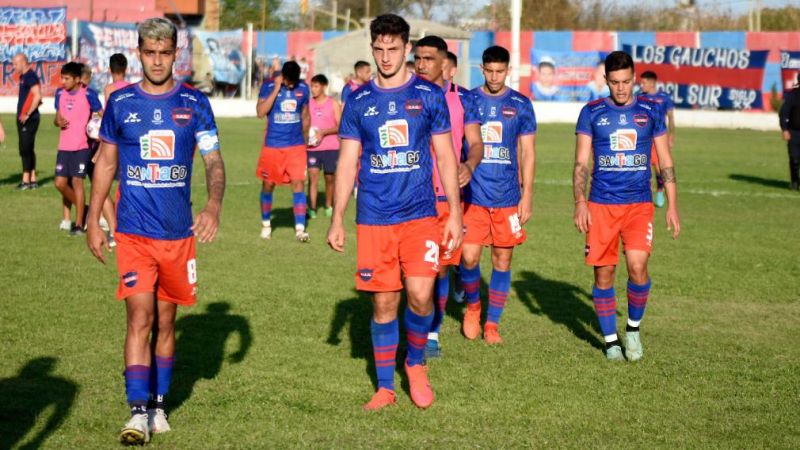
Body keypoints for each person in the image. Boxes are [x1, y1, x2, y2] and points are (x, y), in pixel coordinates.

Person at [87, 17, 226, 445]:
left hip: (178, 234)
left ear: (175, 53)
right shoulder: (121, 102)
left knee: (166, 323)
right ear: (139, 53)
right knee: (140, 317)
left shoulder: (195, 103)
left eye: (165, 53)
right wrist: (93, 219)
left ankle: (159, 406)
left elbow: (213, 161)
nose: (158, 61)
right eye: (150, 53)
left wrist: (213, 205)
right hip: (133, 232)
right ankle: (137, 412)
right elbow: (106, 163)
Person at [327, 14, 462, 411]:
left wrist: (455, 212)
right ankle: (385, 387)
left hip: (420, 214)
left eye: (393, 49)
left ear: (407, 49)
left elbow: (445, 157)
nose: (385, 57)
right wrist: (336, 218)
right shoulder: (359, 101)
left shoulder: (429, 96)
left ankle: (415, 363)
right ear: (372, 48)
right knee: (384, 304)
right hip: (374, 217)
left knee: (420, 295)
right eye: (379, 49)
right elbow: (347, 162)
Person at [573, 51, 680, 362]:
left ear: (634, 79)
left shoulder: (651, 111)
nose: (621, 88)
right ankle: (610, 342)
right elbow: (581, 163)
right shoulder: (591, 112)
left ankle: (632, 330)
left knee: (637, 266)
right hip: (601, 205)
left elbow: (666, 162)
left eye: (626, 81)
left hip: (639, 204)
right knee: (604, 274)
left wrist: (672, 205)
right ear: (606, 80)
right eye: (614, 82)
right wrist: (580, 201)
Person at [459, 45, 537, 345]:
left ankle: (492, 324)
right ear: (482, 69)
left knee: (502, 260)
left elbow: (528, 152)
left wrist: (527, 195)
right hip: (473, 195)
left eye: (499, 71)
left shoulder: (521, 104)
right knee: (468, 258)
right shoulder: (468, 100)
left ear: (508, 71)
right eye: (489, 71)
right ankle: (473, 307)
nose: (494, 77)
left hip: (507, 197)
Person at [413, 35, 483, 358]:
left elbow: (476, 142)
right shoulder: (406, 94)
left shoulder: (464, 99)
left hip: (445, 197)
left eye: (428, 59)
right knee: (413, 272)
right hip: (411, 197)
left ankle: (431, 333)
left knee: (439, 268)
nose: (421, 64)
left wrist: (469, 164)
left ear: (445, 64)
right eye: (418, 58)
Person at [256, 61, 311, 242]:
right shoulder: (268, 86)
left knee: (298, 183)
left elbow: (305, 115)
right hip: (273, 146)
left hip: (296, 146)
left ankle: (300, 230)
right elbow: (260, 112)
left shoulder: (303, 88)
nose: (292, 85)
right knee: (268, 185)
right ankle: (266, 225)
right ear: (283, 77)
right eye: (289, 82)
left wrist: (306, 141)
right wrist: (276, 89)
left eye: (295, 82)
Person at [53, 62, 103, 236]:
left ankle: (79, 224)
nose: (63, 81)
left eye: (66, 78)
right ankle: (86, 209)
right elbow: (57, 117)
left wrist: (100, 131)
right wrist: (58, 121)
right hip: (64, 146)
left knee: (77, 181)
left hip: (82, 146)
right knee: (59, 183)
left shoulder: (88, 94)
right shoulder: (59, 93)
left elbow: (102, 114)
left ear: (76, 79)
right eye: (62, 78)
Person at [639, 70, 676, 207]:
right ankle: (646, 196)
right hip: (645, 139)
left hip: (660, 138)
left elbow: (670, 117)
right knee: (643, 168)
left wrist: (671, 135)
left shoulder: (664, 98)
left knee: (660, 168)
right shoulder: (639, 97)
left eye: (643, 82)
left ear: (652, 83)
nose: (641, 85)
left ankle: (660, 191)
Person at [307, 74, 341, 218]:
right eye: (312, 86)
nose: (313, 89)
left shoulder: (333, 104)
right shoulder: (308, 104)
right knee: (313, 176)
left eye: (316, 86)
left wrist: (323, 132)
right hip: (312, 148)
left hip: (331, 147)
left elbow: (340, 126)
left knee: (329, 178)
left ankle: (328, 205)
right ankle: (312, 209)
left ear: (324, 87)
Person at [13, 53, 42, 190]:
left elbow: (37, 95)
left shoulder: (30, 76)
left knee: (25, 148)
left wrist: (27, 114)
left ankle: (25, 181)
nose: (14, 67)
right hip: (22, 118)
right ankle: (33, 179)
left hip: (29, 119)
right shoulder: (23, 76)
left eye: (15, 64)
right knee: (27, 148)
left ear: (23, 62)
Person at [780, 73, 800, 191]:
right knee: (794, 159)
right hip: (794, 133)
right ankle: (794, 182)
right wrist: (785, 129)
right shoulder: (793, 95)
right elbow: (783, 113)